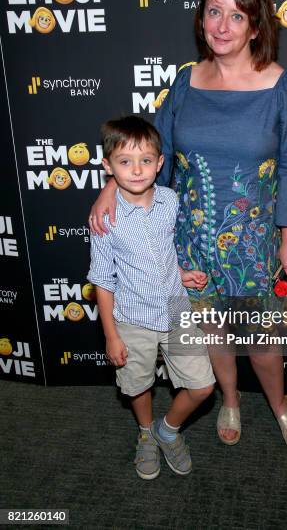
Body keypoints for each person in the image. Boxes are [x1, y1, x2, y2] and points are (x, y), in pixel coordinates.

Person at [89, 0, 287, 452]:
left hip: (254, 242)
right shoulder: (186, 81)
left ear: (256, 26)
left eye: (237, 16)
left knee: (261, 339)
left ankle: (281, 403)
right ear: (201, 20)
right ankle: (231, 398)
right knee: (212, 330)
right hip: (192, 239)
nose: (222, 25)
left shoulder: (279, 84)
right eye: (214, 12)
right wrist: (111, 186)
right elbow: (150, 149)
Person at [88, 116, 215, 480]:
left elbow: (160, 253)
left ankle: (167, 429)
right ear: (108, 167)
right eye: (125, 162)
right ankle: (146, 432)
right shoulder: (105, 218)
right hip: (131, 317)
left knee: (203, 386)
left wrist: (179, 274)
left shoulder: (170, 201)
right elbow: (102, 279)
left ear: (160, 163)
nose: (137, 169)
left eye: (146, 160)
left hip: (176, 308)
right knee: (138, 384)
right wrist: (111, 335)